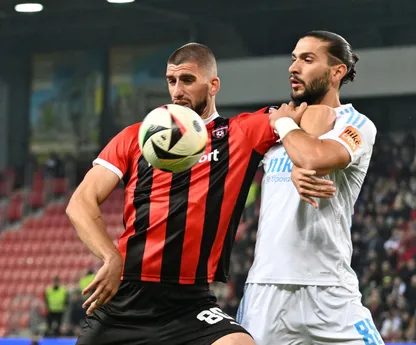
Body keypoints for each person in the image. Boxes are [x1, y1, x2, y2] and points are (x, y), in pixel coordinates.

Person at [66, 42, 287, 345]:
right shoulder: (137, 136)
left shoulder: (240, 133)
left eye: (187, 80)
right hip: (125, 299)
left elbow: (299, 114)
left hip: (190, 302)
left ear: (213, 85)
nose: (177, 91)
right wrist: (110, 256)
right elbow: (80, 202)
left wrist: (300, 156)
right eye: (171, 81)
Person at [237, 31, 384, 345]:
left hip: (330, 290)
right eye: (293, 58)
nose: (293, 67)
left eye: (307, 59)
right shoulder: (273, 126)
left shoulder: (355, 124)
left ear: (336, 72)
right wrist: (287, 136)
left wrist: (285, 128)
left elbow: (314, 156)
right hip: (266, 289)